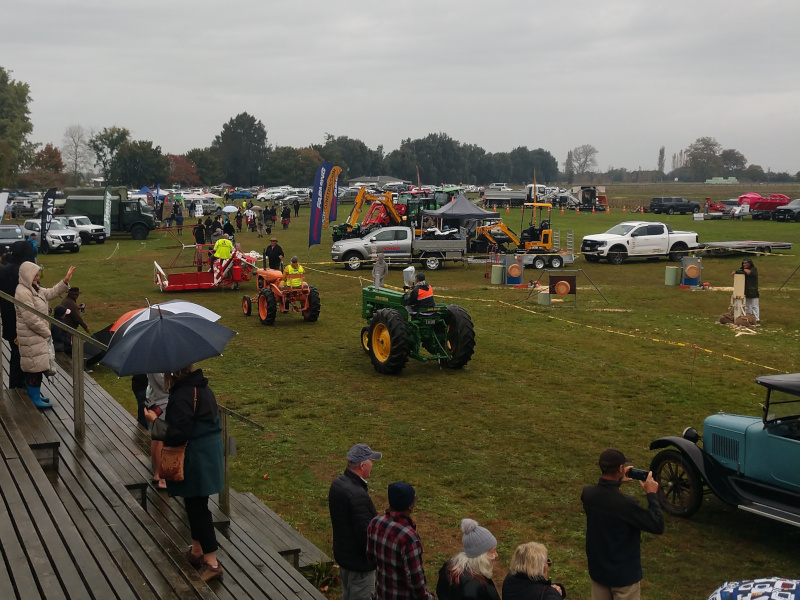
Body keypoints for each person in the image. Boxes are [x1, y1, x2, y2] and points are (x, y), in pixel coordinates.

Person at [161, 364, 224, 582]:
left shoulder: (182, 394)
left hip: (195, 457)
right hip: (208, 454)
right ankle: (197, 551)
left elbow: (178, 434)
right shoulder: (202, 387)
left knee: (198, 509)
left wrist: (155, 424)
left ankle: (212, 562)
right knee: (196, 503)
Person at [581, 448, 664, 600]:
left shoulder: (587, 494)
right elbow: (657, 524)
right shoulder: (627, 505)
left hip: (598, 572)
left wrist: (617, 480)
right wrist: (651, 494)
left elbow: (606, 497)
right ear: (620, 468)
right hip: (623, 577)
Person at [15, 263, 75, 408]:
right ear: (27, 275)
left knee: (38, 367)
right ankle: (34, 398)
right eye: (35, 274)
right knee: (33, 369)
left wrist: (64, 281)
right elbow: (31, 318)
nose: (37, 277)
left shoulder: (34, 288)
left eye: (38, 274)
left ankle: (35, 396)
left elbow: (50, 293)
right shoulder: (23, 292)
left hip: (36, 336)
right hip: (31, 336)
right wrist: (47, 332)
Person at [328, 443, 382, 600]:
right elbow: (366, 536)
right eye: (371, 461)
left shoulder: (338, 484)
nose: (373, 464)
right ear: (363, 465)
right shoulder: (358, 495)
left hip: (344, 558)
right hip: (359, 567)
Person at [367, 482, 435, 600]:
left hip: (381, 595)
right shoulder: (409, 538)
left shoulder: (375, 523)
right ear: (410, 506)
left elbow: (371, 559)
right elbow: (415, 582)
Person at [0, 240, 36, 389]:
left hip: (8, 318)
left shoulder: (4, 270)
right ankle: (20, 386)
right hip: (23, 318)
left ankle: (18, 385)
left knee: (17, 352)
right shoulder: (24, 272)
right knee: (23, 354)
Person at [436, 518, 500, 600]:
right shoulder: (477, 588)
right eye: (493, 551)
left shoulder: (448, 569)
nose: (496, 555)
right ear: (480, 555)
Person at [144, 372, 170, 490]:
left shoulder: (151, 357)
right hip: (162, 403)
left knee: (156, 438)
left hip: (154, 400)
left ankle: (157, 474)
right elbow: (164, 383)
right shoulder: (159, 362)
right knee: (161, 439)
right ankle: (162, 478)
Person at [732, 258, 759, 325]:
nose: (744, 264)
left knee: (754, 305)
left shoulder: (754, 269)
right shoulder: (743, 270)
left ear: (749, 263)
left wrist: (738, 271)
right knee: (747, 306)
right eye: (743, 263)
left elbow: (748, 272)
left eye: (746, 263)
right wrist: (738, 271)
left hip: (753, 290)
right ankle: (749, 318)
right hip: (746, 290)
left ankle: (757, 319)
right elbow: (743, 272)